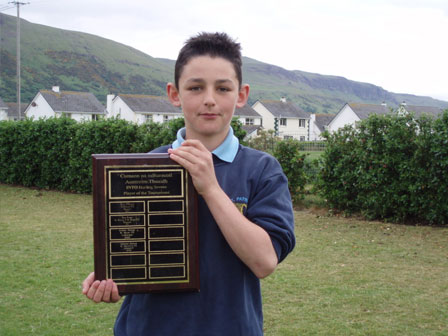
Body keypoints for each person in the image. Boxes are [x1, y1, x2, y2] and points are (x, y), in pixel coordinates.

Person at [82, 32, 295, 336]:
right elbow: (132, 251)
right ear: (174, 94)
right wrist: (112, 277)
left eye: (223, 88)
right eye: (196, 87)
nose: (209, 99)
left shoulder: (262, 170)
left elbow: (264, 262)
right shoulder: (141, 167)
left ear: (241, 95)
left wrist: (210, 187)